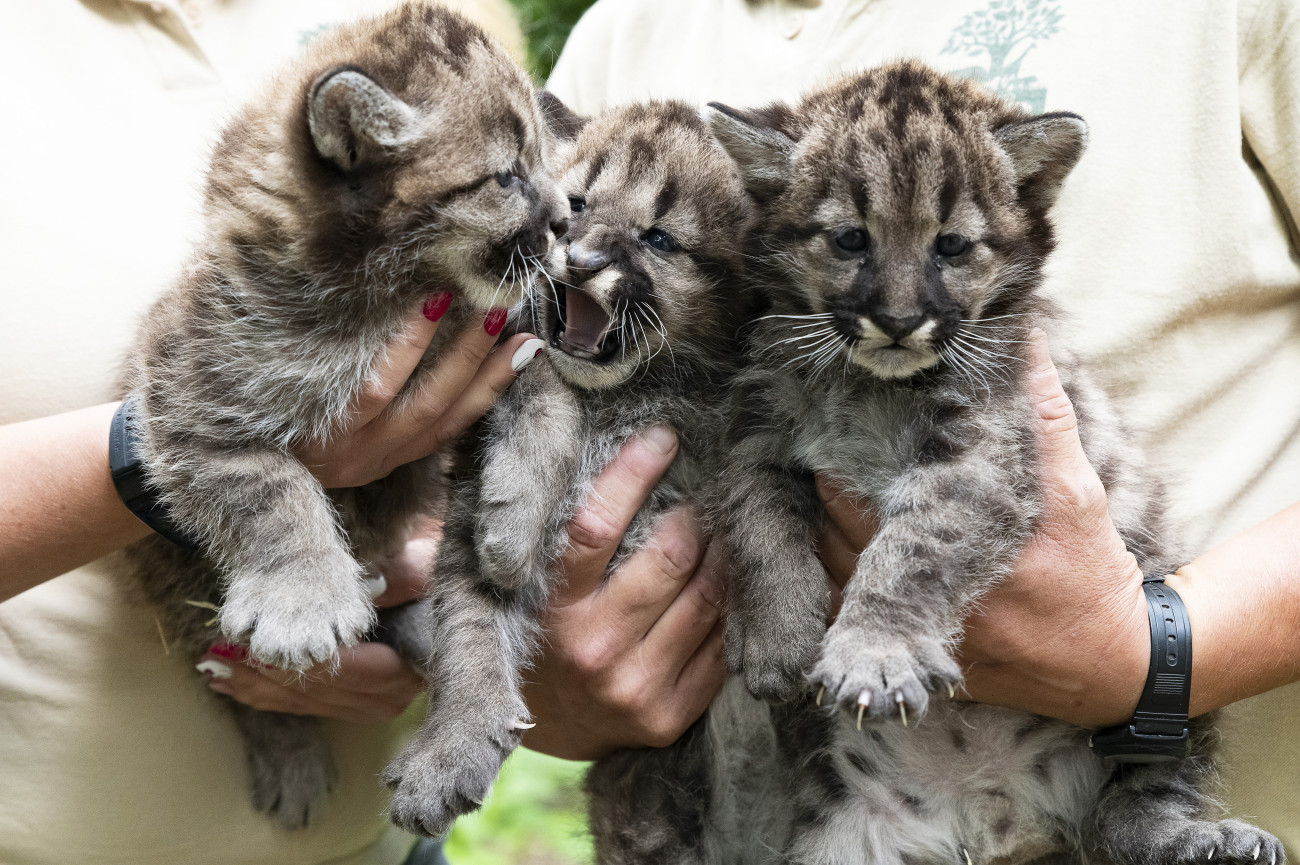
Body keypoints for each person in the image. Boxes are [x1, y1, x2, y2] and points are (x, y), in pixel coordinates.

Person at [544, 0, 1300, 852]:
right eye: (848, 243)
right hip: (838, 787)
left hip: (1133, 747)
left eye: (949, 250)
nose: (901, 310)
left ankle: (1149, 820)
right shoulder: (625, 32)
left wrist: (1159, 657)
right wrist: (553, 682)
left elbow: (984, 480)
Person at [0, 2, 726, 863]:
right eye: (515, 183)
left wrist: (435, 600)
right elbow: (187, 398)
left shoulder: (452, 34)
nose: (561, 224)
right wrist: (243, 503)